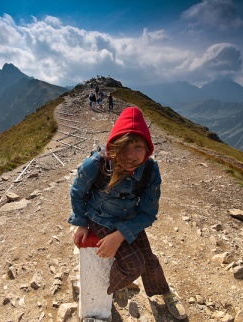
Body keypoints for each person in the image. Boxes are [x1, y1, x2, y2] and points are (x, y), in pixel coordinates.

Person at [68, 107, 186, 320]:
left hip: (129, 218)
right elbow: (77, 192)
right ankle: (116, 288)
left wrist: (120, 235)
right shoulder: (97, 164)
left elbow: (149, 212)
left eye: (139, 146)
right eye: (125, 146)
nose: (131, 155)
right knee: (134, 265)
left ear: (148, 148)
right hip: (100, 217)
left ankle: (163, 292)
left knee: (148, 259)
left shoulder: (149, 169)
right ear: (114, 146)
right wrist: (81, 222)